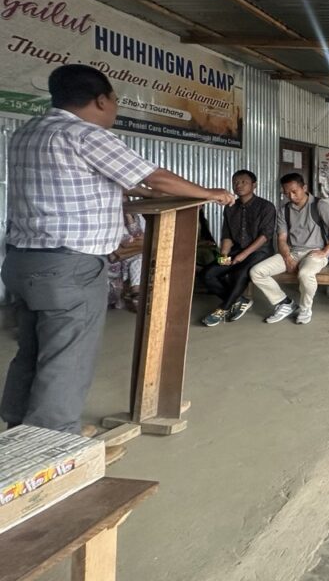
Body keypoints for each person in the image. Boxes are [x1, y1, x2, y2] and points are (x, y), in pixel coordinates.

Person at [0, 64, 234, 435]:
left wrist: (140, 191)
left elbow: (90, 183)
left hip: (23, 261)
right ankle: (54, 446)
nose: (114, 110)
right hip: (69, 267)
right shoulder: (85, 134)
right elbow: (154, 177)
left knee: (32, 350)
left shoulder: (28, 132)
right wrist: (210, 193)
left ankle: (17, 427)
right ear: (101, 100)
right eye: (115, 102)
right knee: (67, 359)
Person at [249, 173, 329, 325]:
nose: (291, 196)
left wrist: (326, 251)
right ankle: (284, 303)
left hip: (315, 253)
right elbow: (281, 239)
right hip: (292, 252)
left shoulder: (319, 205)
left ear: (304, 188)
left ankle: (305, 309)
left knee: (305, 274)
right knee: (256, 272)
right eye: (286, 193)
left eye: (294, 191)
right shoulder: (284, 210)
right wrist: (287, 257)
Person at [198, 170, 277, 326]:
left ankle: (222, 309)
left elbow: (265, 236)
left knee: (241, 273)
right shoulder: (230, 207)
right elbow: (227, 234)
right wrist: (224, 255)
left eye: (243, 182)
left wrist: (243, 255)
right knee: (207, 274)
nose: (238, 185)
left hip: (260, 251)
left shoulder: (266, 206)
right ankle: (239, 300)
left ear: (254, 185)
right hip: (237, 250)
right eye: (235, 182)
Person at [107, 211, 146, 312]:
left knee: (140, 257)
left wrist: (129, 216)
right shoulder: (110, 215)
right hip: (111, 259)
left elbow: (139, 236)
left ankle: (136, 294)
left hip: (125, 256)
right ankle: (133, 294)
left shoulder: (138, 217)